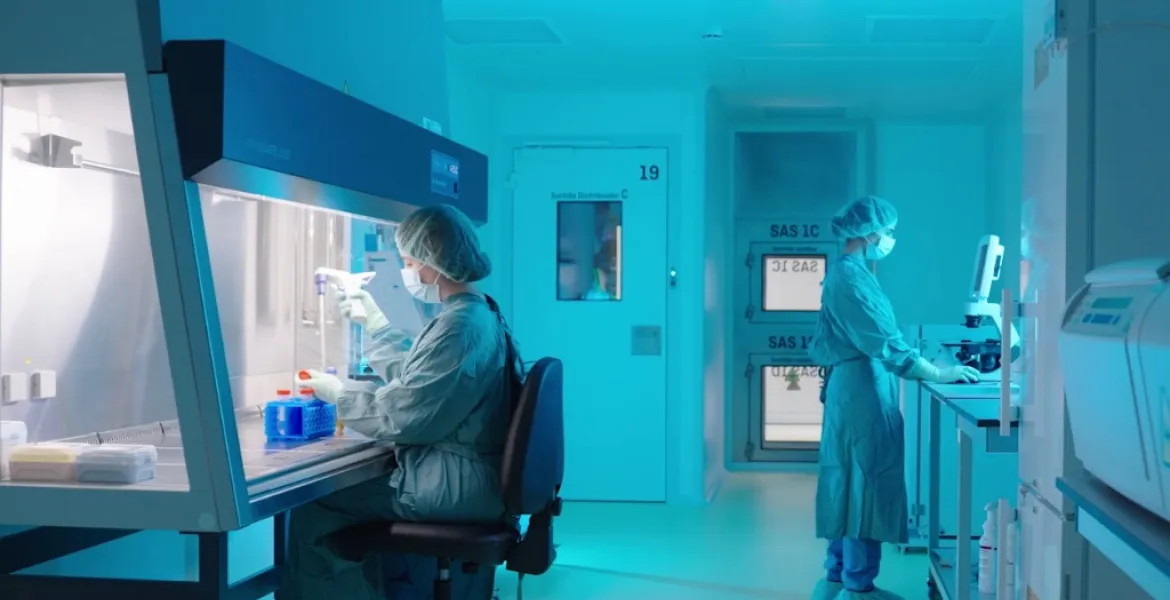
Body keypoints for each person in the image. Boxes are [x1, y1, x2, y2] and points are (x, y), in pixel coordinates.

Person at [279, 204, 519, 600]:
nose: (408, 272)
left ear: (432, 261)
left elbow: (405, 417)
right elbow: (425, 379)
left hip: (453, 485)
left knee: (316, 505)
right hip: (470, 478)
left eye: (408, 262)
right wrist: (375, 324)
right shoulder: (477, 314)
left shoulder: (459, 326)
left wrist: (338, 396)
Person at [809, 196, 980, 600]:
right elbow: (884, 342)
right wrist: (939, 372)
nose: (889, 238)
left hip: (854, 383)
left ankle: (838, 577)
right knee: (863, 481)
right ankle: (858, 585)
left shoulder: (850, 273)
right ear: (868, 232)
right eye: (887, 231)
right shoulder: (850, 279)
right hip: (861, 387)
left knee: (848, 478)